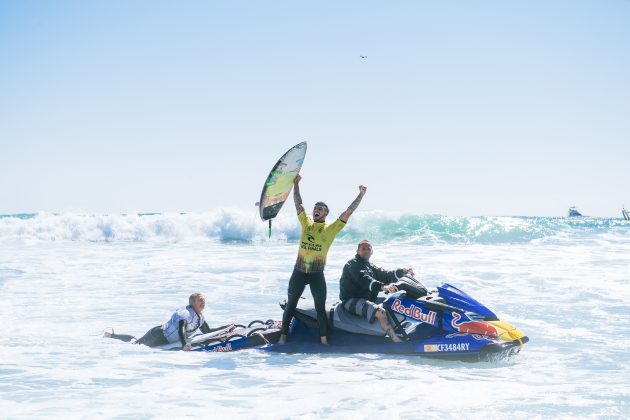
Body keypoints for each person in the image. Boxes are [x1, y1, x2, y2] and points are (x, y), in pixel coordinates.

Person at [278, 175, 366, 345]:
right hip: (299, 272)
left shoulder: (331, 229)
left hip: (317, 274)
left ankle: (324, 341)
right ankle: (282, 337)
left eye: (320, 208)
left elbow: (348, 212)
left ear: (326, 213)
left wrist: (360, 195)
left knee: (320, 307)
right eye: (315, 207)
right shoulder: (306, 223)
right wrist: (296, 185)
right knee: (291, 304)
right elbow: (298, 204)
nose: (316, 209)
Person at [339, 240, 414, 342]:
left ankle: (400, 330)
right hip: (351, 300)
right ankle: (396, 340)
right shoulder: (352, 265)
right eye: (363, 249)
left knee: (395, 303)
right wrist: (383, 287)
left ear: (372, 252)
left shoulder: (369, 265)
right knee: (380, 312)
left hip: (367, 298)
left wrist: (402, 272)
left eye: (368, 249)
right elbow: (364, 279)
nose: (366, 251)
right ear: (357, 251)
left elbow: (385, 274)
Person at [104, 293, 233, 350]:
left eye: (204, 300)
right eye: (200, 300)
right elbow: (182, 328)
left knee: (136, 342)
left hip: (166, 339)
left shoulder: (200, 317)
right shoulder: (185, 312)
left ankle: (111, 335)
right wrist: (184, 344)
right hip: (158, 334)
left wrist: (225, 328)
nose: (203, 302)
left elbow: (207, 331)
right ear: (192, 303)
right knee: (134, 345)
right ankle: (111, 335)